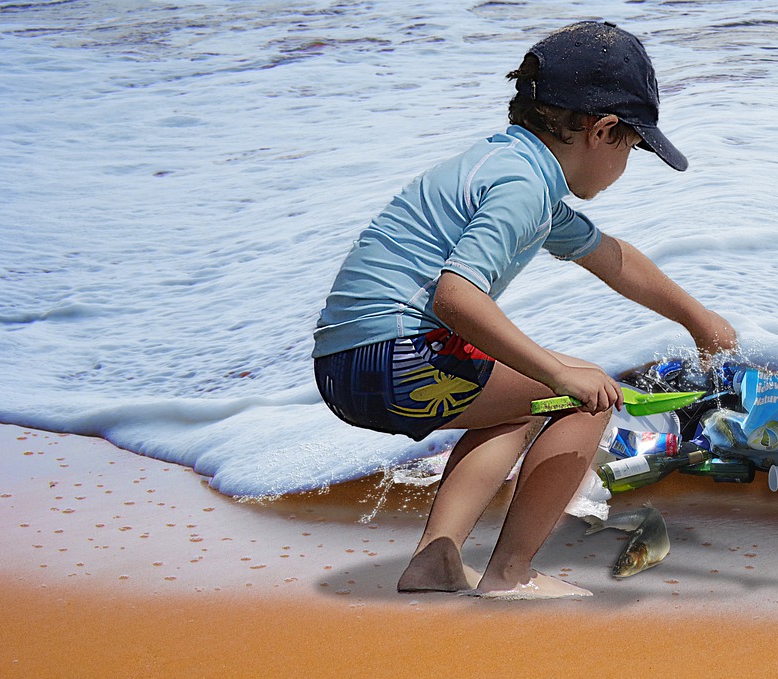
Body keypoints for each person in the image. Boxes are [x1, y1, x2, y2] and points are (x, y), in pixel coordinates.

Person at [312, 20, 737, 599]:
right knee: (587, 395)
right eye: (633, 148)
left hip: (346, 364)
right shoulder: (523, 188)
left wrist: (698, 320)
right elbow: (456, 297)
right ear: (603, 130)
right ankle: (511, 573)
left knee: (518, 405)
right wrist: (560, 374)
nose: (627, 164)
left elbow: (611, 258)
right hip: (400, 357)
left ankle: (436, 561)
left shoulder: (506, 166)